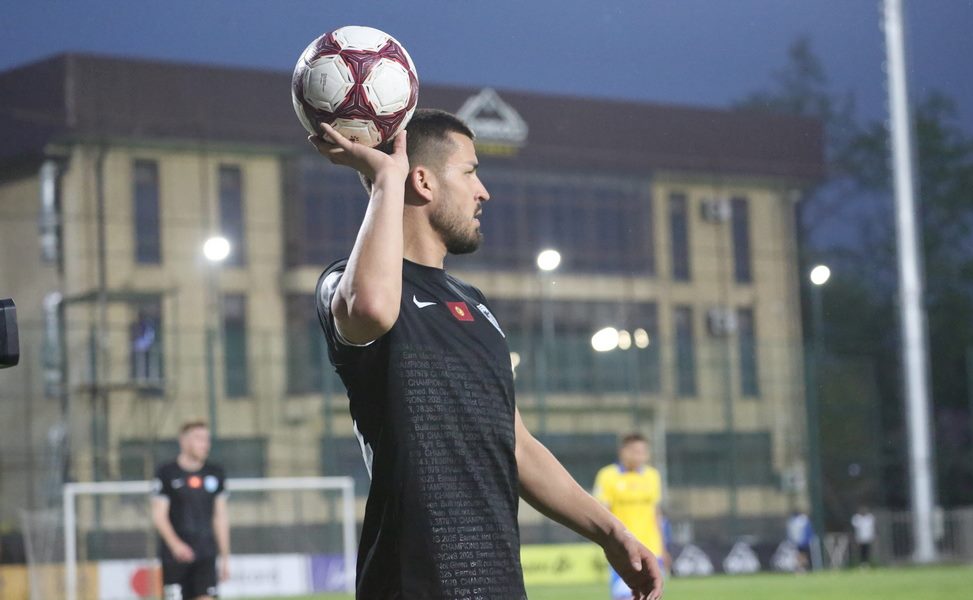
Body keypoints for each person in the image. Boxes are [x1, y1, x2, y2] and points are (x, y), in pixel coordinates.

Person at [312, 109, 663, 600]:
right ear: (423, 182)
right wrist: (386, 181)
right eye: (470, 172)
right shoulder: (343, 283)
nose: (484, 192)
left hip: (497, 583)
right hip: (411, 586)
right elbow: (370, 307)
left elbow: (516, 446)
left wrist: (611, 532)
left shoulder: (476, 305)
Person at [151, 421, 230, 600]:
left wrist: (225, 557)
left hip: (206, 553)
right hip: (174, 557)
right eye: (199, 439)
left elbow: (220, 517)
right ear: (184, 441)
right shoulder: (166, 472)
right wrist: (176, 545)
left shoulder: (215, 472)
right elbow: (159, 515)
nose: (205, 444)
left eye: (207, 439)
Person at [593, 433, 672, 600]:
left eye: (644, 452)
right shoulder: (607, 476)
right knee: (625, 596)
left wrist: (663, 548)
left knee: (652, 595)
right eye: (636, 451)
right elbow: (603, 513)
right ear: (623, 452)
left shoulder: (652, 476)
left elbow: (656, 514)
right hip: (623, 549)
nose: (640, 456)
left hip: (652, 548)